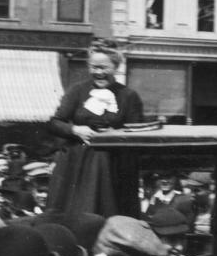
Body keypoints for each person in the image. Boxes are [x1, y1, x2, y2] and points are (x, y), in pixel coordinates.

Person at [47, 39, 145, 218]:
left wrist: (113, 135)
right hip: (77, 165)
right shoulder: (77, 91)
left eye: (104, 68)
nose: (98, 73)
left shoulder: (128, 96)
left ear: (115, 66)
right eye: (94, 67)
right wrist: (76, 130)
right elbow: (55, 123)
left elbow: (137, 132)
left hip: (113, 166)